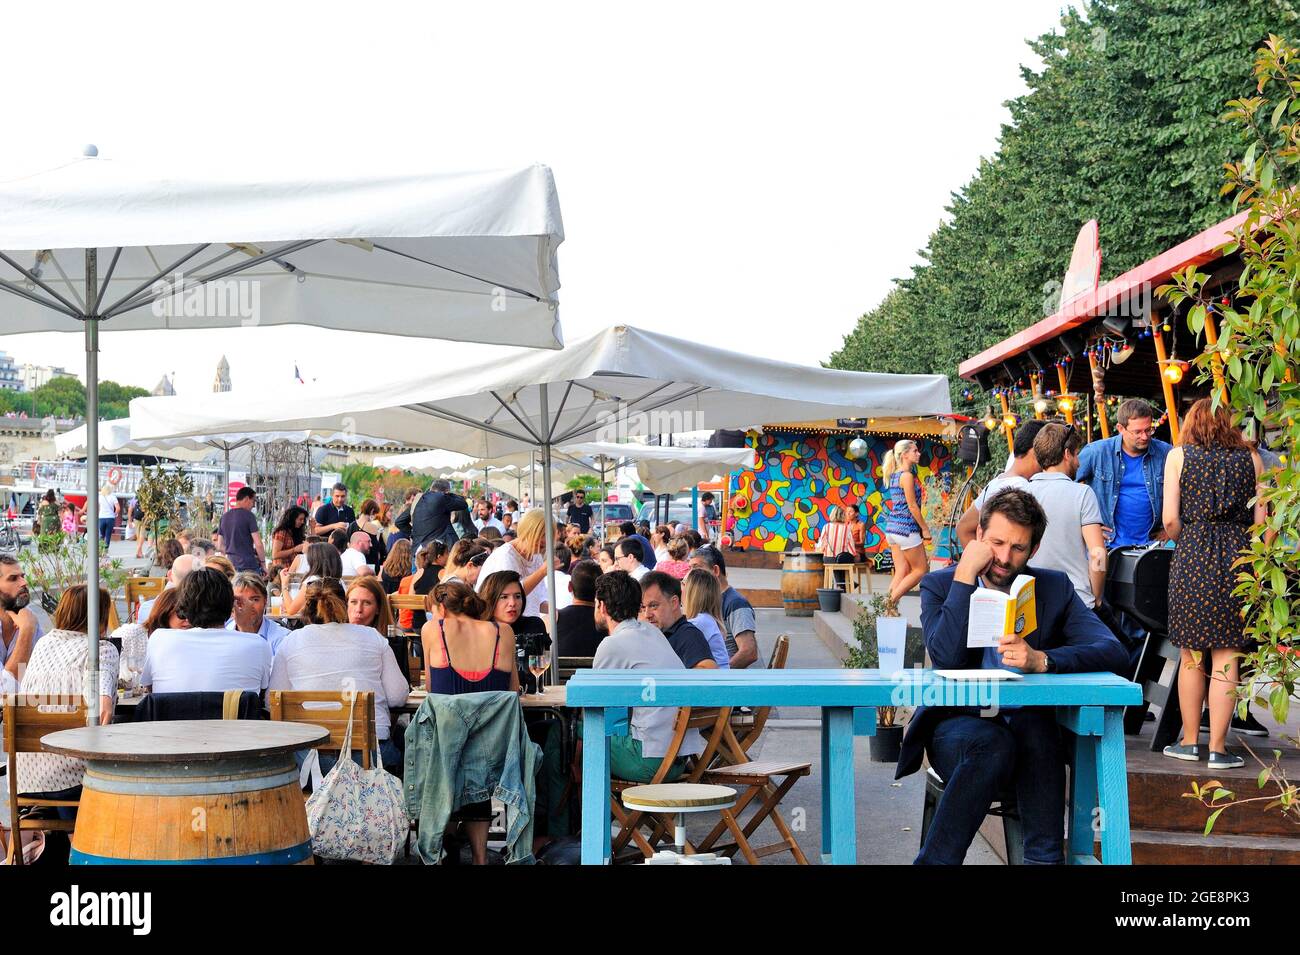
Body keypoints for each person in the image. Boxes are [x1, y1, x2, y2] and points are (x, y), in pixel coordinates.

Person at [901, 488, 1128, 865]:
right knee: (994, 743)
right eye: (996, 543)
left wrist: (1042, 660)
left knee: (1036, 732)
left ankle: (1043, 861)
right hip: (958, 727)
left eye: (1018, 548)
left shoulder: (1052, 588)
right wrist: (964, 576)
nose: (1004, 558)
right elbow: (946, 658)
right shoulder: (940, 585)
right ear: (978, 537)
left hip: (1028, 727)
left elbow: (1114, 651)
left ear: (1034, 550)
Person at [1161, 399, 1267, 770]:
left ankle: (1190, 742)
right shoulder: (1252, 459)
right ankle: (1219, 750)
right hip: (1239, 557)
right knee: (1228, 655)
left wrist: (1189, 535)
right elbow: (1262, 523)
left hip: (1192, 555)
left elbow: (1170, 520)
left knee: (1192, 655)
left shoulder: (1179, 456)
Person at [270, 578, 408, 775]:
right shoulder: (372, 637)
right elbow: (397, 696)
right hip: (370, 762)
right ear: (344, 603)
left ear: (306, 608)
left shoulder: (290, 642)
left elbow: (271, 702)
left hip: (310, 767)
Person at [423, 580, 519, 864]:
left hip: (447, 753)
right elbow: (513, 692)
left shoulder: (433, 630)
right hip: (494, 754)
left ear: (441, 607)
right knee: (475, 761)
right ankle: (480, 856)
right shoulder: (504, 632)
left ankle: (447, 840)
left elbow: (431, 691)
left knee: (445, 752)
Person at [13, 584, 117, 814]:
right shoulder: (100, 650)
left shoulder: (43, 644)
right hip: (72, 778)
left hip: (26, 777)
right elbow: (102, 711)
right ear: (100, 616)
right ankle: (85, 841)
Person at [590, 571, 703, 781]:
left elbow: (597, 704)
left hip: (650, 760)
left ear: (602, 606)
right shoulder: (652, 632)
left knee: (571, 732)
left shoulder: (612, 645)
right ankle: (618, 809)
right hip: (678, 758)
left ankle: (577, 811)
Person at [142, 568, 272, 694]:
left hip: (174, 716)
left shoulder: (159, 639)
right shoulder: (259, 645)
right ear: (231, 604)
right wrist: (246, 625)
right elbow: (260, 692)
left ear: (183, 606)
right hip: (231, 716)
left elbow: (151, 689)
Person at [1023, 424, 1108, 609]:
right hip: (1075, 599)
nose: (1078, 462)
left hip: (1031, 599)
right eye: (1077, 454)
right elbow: (1098, 553)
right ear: (1067, 454)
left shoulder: (1021, 492)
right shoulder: (1082, 493)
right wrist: (1097, 597)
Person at [1076, 398, 1173, 548]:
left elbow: (1187, 493)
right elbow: (1065, 489)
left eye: (1149, 430)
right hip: (1106, 546)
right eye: (1137, 432)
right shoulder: (1096, 452)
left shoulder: (1166, 453)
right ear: (1120, 428)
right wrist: (1084, 526)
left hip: (1152, 547)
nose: (1145, 436)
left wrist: (1169, 531)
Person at [955, 419, 1048, 546]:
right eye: (1048, 450)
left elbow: (963, 528)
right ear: (1035, 451)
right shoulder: (1022, 488)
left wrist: (981, 562)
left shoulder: (996, 482)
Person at [688, 544, 759, 669]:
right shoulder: (710, 600)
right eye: (690, 569)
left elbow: (749, 652)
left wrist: (720, 672)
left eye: (697, 568)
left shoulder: (736, 604)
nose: (691, 575)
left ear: (715, 570)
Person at [479, 569, 549, 691]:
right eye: (504, 597)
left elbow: (540, 671)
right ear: (490, 599)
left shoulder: (534, 625)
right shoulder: (479, 630)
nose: (512, 603)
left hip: (533, 704)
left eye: (517, 596)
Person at [882, 439, 932, 606]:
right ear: (904, 454)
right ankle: (889, 603)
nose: (918, 454)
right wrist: (924, 529)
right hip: (906, 529)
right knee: (921, 570)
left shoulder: (894, 476)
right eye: (914, 451)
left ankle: (888, 611)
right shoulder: (907, 476)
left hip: (892, 529)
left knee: (901, 571)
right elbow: (912, 506)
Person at [475, 509, 552, 617]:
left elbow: (538, 599)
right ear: (528, 531)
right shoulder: (505, 556)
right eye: (542, 534)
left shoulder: (536, 556)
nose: (545, 540)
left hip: (528, 624)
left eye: (549, 535)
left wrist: (557, 611)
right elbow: (513, 597)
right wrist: (542, 572)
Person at [639, 571, 716, 669]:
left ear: (674, 603)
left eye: (653, 606)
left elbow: (708, 669)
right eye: (643, 607)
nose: (647, 614)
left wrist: (669, 681)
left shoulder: (688, 635)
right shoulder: (653, 633)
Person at [225, 571, 291, 656]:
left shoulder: (283, 638)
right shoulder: (223, 633)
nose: (248, 606)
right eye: (239, 601)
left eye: (254, 599)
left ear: (265, 601)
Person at [0, 555, 41, 682]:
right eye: (13, 579)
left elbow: (37, 676)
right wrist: (27, 631)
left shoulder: (28, 616)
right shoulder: (28, 623)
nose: (24, 583)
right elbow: (4, 693)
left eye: (22, 576)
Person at [682, 567, 732, 669]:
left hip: (715, 681)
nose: (679, 587)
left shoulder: (700, 622)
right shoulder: (705, 619)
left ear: (692, 592)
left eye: (683, 583)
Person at [278, 541, 343, 617]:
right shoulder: (340, 583)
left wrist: (284, 585)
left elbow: (291, 610)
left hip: (314, 626)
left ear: (315, 561)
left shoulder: (312, 581)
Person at [405, 479, 469, 553]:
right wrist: (448, 494)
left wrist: (415, 534)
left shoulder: (418, 500)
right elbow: (463, 503)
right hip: (439, 550)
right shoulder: (441, 498)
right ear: (446, 492)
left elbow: (399, 522)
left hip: (418, 550)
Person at [556, 559, 602, 656]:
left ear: (569, 587)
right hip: (596, 670)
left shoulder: (553, 619)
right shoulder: (607, 621)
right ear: (600, 591)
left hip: (560, 671)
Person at [216, 486, 265, 574]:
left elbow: (219, 546)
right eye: (253, 501)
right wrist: (263, 564)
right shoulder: (249, 516)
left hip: (231, 566)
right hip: (249, 566)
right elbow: (258, 544)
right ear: (246, 499)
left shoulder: (224, 517)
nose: (254, 505)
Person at [817, 504, 859, 587]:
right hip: (841, 559)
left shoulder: (826, 527)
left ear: (832, 515)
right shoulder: (847, 528)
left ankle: (841, 584)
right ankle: (845, 584)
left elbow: (821, 545)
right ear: (843, 515)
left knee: (833, 562)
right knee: (842, 562)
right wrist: (855, 555)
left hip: (828, 559)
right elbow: (851, 548)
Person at [347, 498, 387, 567]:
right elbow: (380, 548)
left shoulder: (351, 526)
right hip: (371, 565)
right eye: (375, 513)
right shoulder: (375, 527)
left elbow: (347, 545)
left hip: (354, 564)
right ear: (372, 511)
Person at [270, 505, 309, 575]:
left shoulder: (295, 531)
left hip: (292, 570)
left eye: (303, 519)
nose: (302, 522)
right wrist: (294, 550)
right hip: (282, 571)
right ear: (292, 519)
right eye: (300, 519)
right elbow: (275, 555)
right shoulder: (281, 532)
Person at [97, 484, 118, 549]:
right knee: (108, 535)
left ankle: (100, 550)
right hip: (110, 518)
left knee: (101, 535)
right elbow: (118, 508)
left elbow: (97, 507)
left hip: (101, 517)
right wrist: (115, 514)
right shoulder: (113, 496)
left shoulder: (100, 497)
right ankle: (105, 552)